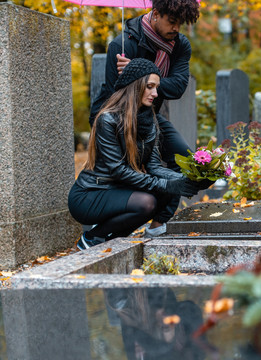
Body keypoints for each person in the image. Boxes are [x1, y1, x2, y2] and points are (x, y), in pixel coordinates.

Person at [69, 58, 209, 250]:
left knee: (166, 191)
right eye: (150, 86)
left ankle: (114, 241)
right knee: (147, 202)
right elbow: (118, 170)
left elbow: (154, 167)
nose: (156, 93)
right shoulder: (107, 119)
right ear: (135, 85)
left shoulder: (149, 118)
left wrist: (187, 180)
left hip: (120, 191)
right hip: (91, 194)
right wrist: (169, 184)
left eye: (156, 87)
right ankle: (92, 238)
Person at [90, 0, 201, 236]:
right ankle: (102, 230)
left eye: (180, 23)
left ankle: (159, 223)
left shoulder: (179, 45)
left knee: (186, 161)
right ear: (155, 14)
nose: (176, 29)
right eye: (172, 22)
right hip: (114, 117)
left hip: (149, 116)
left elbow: (178, 87)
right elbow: (114, 96)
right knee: (119, 172)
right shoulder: (122, 45)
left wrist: (141, 71)